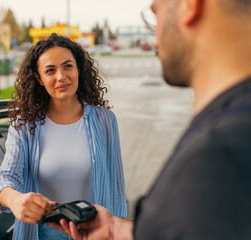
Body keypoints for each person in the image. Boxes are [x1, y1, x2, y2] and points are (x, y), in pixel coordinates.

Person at [51, 0, 251, 239]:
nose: (155, 38)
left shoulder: (218, 156)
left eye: (155, 14)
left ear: (189, 5)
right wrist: (120, 231)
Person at [0, 33, 127, 239]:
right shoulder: (24, 127)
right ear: (39, 79)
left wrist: (118, 229)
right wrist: (15, 199)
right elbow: (5, 178)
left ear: (78, 68)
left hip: (97, 233)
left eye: (68, 66)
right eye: (50, 70)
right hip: (45, 234)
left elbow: (117, 186)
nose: (61, 76)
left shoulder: (105, 120)